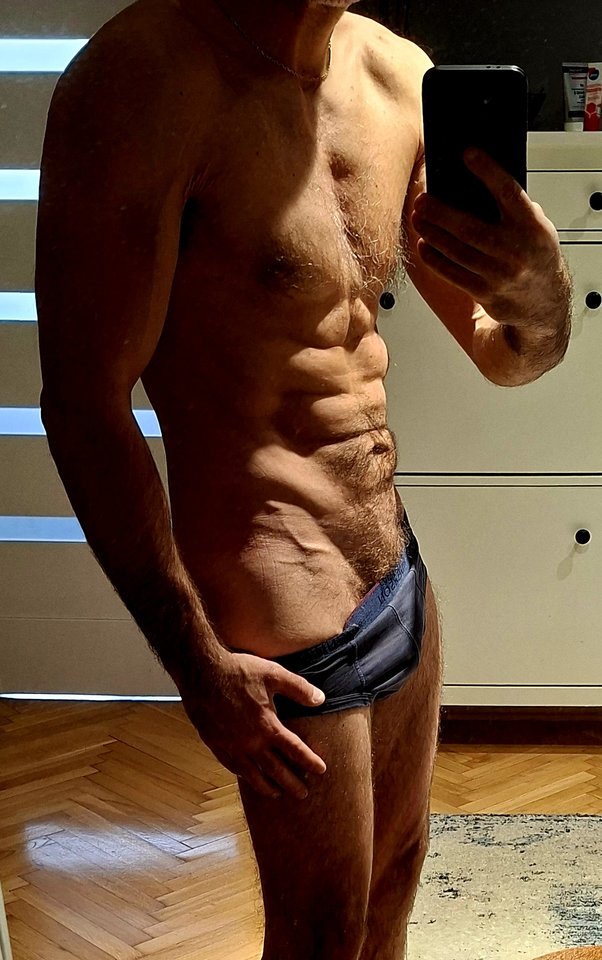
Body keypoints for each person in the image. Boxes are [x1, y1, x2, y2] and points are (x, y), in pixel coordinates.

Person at [35, 0, 572, 957]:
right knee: (321, 931)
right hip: (279, 600)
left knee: (395, 881)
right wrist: (198, 666)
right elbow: (84, 404)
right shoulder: (145, 80)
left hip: (395, 569)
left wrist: (543, 297)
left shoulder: (397, 76)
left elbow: (509, 355)